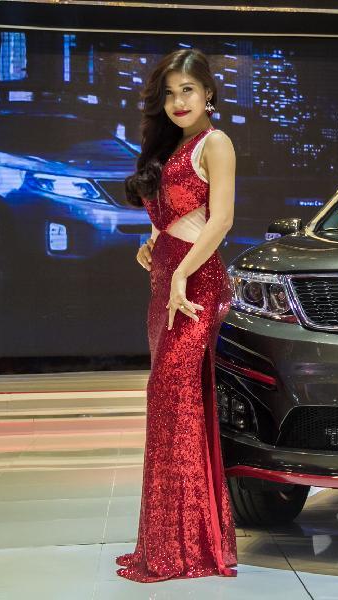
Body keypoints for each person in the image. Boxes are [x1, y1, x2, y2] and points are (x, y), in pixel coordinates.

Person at [115, 48, 238, 582]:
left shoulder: (216, 143)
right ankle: (177, 541)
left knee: (174, 399)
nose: (178, 101)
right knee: (172, 405)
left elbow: (223, 219)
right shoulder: (176, 147)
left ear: (208, 93)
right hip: (165, 284)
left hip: (196, 286)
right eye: (168, 92)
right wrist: (152, 243)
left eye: (187, 89)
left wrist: (184, 270)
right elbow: (178, 215)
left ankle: (187, 546)